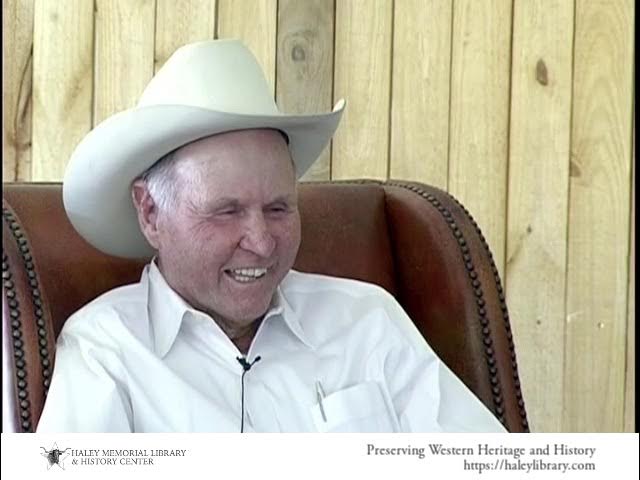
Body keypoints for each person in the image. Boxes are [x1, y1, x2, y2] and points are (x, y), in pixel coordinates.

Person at [37, 39, 506, 433]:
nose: (261, 243)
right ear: (151, 211)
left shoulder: (368, 322)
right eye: (226, 212)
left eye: (279, 208)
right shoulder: (105, 353)